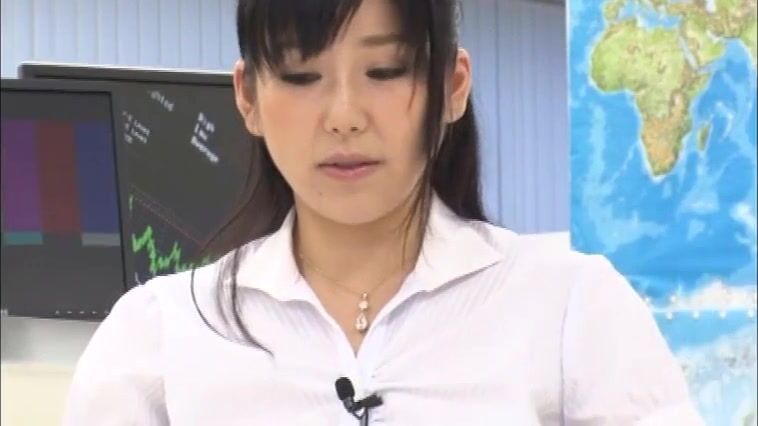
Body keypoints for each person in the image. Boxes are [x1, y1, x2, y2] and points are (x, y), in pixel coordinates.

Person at [64, 0, 704, 424]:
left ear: (453, 86)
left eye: (386, 70)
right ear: (248, 97)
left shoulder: (569, 305)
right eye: (301, 75)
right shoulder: (160, 333)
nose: (344, 115)